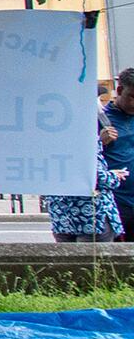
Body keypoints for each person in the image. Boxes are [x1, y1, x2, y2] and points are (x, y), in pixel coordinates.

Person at [47, 118, 126, 243]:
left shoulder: (52, 140)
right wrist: (115, 176)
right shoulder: (86, 139)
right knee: (94, 258)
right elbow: (98, 178)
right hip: (91, 215)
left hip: (62, 214)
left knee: (68, 259)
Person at [101, 69, 134, 241]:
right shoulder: (100, 120)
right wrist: (99, 142)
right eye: (133, 97)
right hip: (116, 203)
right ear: (120, 91)